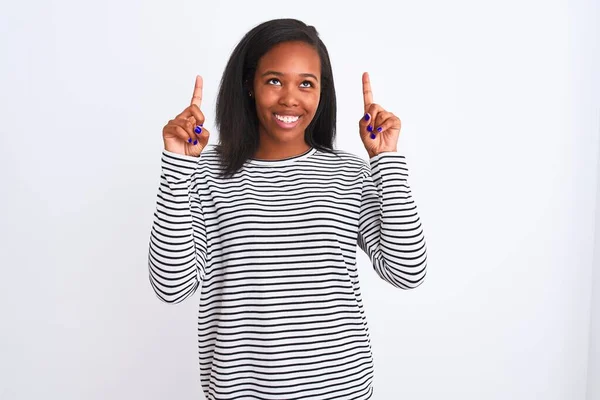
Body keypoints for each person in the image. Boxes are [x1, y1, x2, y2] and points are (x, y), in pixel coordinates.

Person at [148, 18, 427, 400]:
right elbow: (171, 287)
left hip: (341, 390)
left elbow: (407, 271)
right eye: (274, 80)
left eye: (306, 83)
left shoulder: (348, 174)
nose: (290, 98)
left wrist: (387, 160)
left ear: (321, 93)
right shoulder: (206, 173)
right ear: (249, 84)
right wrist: (179, 166)